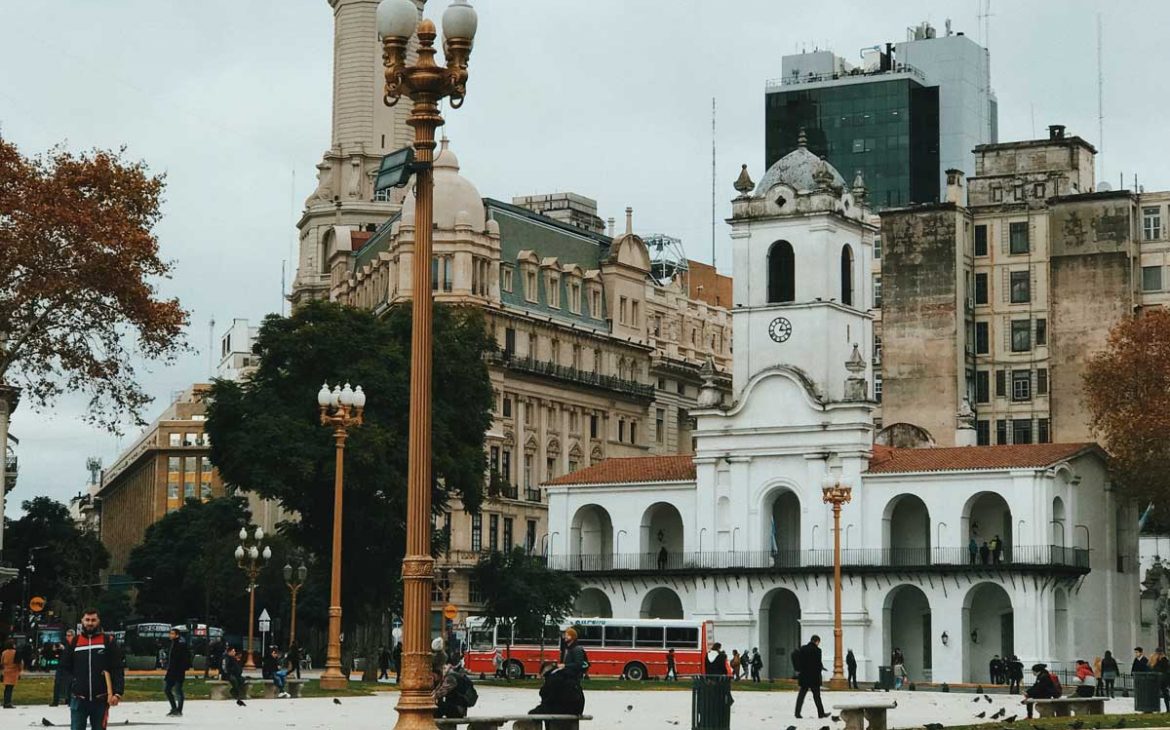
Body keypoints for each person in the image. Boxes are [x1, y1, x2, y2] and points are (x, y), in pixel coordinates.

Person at [61, 608, 125, 728]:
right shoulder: (74, 642)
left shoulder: (108, 641)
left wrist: (117, 692)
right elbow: (64, 667)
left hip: (101, 699)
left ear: (98, 621)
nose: (90, 623)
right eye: (87, 620)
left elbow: (117, 668)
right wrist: (72, 683)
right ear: (82, 621)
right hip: (78, 699)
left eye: (93, 620)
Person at [794, 635, 829, 719]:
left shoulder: (803, 649)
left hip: (804, 676)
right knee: (817, 696)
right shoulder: (817, 650)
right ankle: (821, 713)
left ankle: (797, 713)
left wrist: (799, 669)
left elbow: (798, 659)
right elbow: (818, 663)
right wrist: (821, 669)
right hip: (814, 677)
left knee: (801, 695)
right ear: (817, 641)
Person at [164, 628, 191, 717]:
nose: (170, 635)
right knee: (167, 690)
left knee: (178, 690)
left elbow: (185, 658)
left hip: (178, 671)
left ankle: (179, 710)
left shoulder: (181, 645)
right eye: (170, 633)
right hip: (171, 671)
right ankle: (174, 708)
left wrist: (182, 668)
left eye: (172, 634)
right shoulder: (172, 644)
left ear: (177, 635)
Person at [51, 630, 75, 707]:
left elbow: (72, 654)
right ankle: (55, 701)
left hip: (70, 668)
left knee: (70, 685)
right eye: (66, 635)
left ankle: (69, 701)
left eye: (69, 636)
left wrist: (64, 649)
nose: (67, 637)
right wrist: (56, 650)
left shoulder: (74, 645)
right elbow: (56, 655)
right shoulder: (64, 644)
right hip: (61, 666)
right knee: (57, 683)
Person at [1, 639, 19, 709]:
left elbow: (2, 662)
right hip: (13, 672)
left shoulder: (4, 652)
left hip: (6, 672)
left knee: (6, 688)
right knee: (10, 688)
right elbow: (19, 662)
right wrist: (20, 670)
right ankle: (8, 703)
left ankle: (5, 702)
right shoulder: (15, 652)